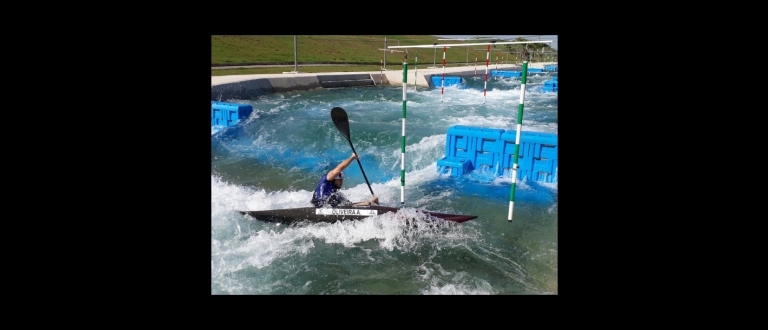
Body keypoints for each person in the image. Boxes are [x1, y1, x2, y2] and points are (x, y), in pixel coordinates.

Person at [311, 152, 379, 207]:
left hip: (328, 207)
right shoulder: (326, 179)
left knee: (339, 196)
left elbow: (350, 206)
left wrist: (369, 203)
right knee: (336, 196)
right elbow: (339, 168)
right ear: (334, 179)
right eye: (340, 180)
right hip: (318, 206)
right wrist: (352, 157)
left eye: (342, 180)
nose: (341, 182)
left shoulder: (334, 193)